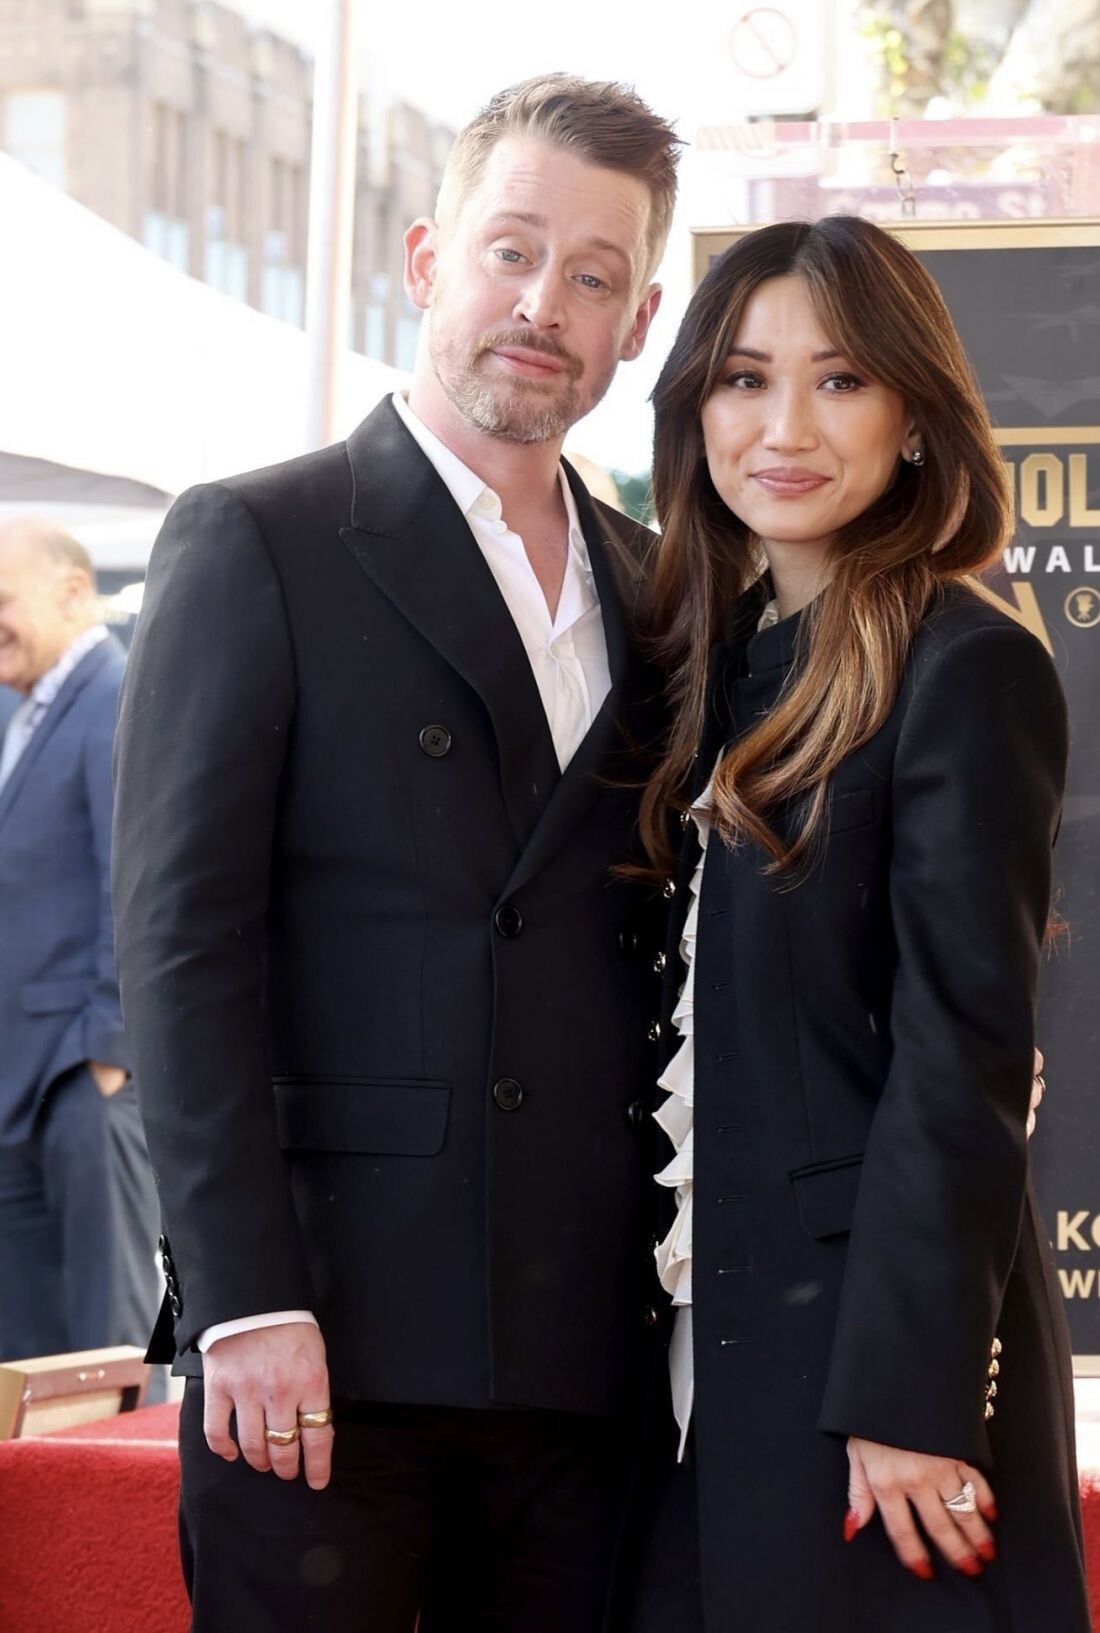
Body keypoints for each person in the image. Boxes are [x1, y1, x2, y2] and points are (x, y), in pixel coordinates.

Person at [112, 75, 679, 1633]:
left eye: (595, 276)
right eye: (512, 251)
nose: (544, 305)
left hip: (590, 1351)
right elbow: (179, 942)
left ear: (638, 324)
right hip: (322, 1345)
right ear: (428, 260)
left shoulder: (666, 590)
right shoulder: (260, 538)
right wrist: (242, 1298)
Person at [618, 217, 1091, 1633]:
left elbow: (964, 1062)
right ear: (694, 408)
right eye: (744, 378)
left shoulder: (967, 665)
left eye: (839, 380)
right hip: (688, 1359)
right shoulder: (701, 669)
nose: (784, 428)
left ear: (915, 416)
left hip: (867, 1371)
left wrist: (910, 1396)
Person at [0, 517, 158, 1363]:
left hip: (81, 1077)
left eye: (2, 600)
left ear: (71, 593)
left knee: (105, 1337)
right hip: (25, 1079)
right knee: (31, 1346)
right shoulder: (27, 707)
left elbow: (131, 884)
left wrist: (107, 1055)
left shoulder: (112, 696)